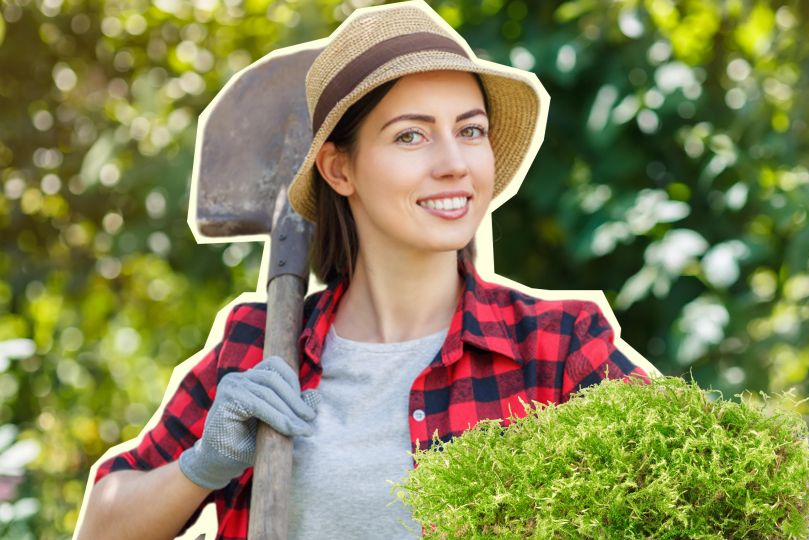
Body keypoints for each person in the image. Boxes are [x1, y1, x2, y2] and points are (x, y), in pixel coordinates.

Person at [77, 2, 654, 539]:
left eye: (470, 130)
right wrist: (204, 465)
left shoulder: (558, 348)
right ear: (339, 170)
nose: (454, 163)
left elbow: (694, 490)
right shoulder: (256, 350)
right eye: (411, 135)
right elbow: (102, 525)